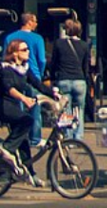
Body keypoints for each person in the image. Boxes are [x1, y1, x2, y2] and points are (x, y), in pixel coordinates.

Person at [0, 38, 54, 179]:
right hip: (3, 104)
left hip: (14, 105)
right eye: (24, 50)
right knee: (27, 121)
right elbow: (8, 88)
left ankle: (28, 173)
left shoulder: (24, 68)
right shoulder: (5, 68)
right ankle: (6, 149)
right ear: (15, 53)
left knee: (23, 140)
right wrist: (24, 99)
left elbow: (37, 84)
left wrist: (54, 94)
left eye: (27, 49)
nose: (28, 52)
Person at [3, 14, 45, 145]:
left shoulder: (9, 37)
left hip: (26, 75)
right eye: (35, 21)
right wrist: (41, 73)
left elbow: (4, 53)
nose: (37, 24)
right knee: (34, 111)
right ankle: (35, 138)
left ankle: (21, 143)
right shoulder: (37, 38)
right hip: (32, 75)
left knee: (20, 111)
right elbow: (42, 59)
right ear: (29, 22)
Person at [49, 19, 90, 141]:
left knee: (66, 109)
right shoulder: (84, 45)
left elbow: (54, 63)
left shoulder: (59, 44)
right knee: (79, 109)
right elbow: (85, 66)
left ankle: (68, 137)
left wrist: (52, 78)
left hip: (63, 79)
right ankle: (78, 136)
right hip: (79, 80)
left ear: (66, 30)